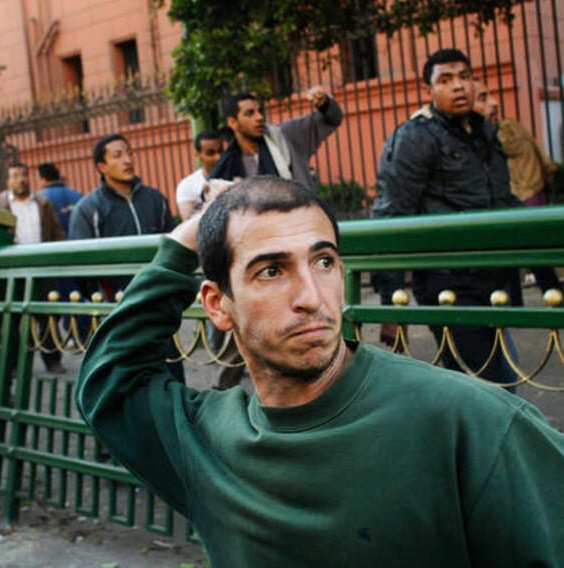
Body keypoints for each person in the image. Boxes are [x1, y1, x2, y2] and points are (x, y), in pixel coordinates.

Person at [76, 175, 564, 567]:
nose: (312, 296)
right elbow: (109, 380)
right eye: (270, 271)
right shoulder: (202, 442)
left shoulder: (469, 421)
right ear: (216, 304)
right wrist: (183, 241)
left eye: (324, 261)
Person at [371, 49, 521, 388]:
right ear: (429, 91)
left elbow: (500, 199)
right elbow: (392, 213)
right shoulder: (415, 136)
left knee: (475, 386)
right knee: (495, 386)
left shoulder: (484, 133)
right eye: (446, 80)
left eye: (465, 77)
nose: (459, 87)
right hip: (447, 282)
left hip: (492, 279)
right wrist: (391, 306)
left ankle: (451, 440)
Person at [69, 133, 183, 382]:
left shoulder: (155, 199)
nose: (127, 160)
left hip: (159, 307)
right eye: (118, 155)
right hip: (116, 312)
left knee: (171, 379)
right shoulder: (89, 209)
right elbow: (80, 265)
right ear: (102, 166)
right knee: (124, 383)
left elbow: (172, 246)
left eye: (129, 153)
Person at [473, 82, 564, 306]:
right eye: (483, 97)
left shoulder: (502, 133)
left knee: (527, 250)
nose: (494, 103)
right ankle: (543, 295)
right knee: (522, 252)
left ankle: (546, 296)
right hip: (529, 193)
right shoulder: (507, 129)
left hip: (521, 196)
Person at [0, 162, 66, 374]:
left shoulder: (42, 202)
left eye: (24, 175)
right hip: (12, 271)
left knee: (48, 316)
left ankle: (53, 360)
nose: (21, 180)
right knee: (13, 319)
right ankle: (14, 364)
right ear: (8, 181)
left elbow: (56, 232)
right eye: (15, 176)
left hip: (41, 267)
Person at [208, 85, 343, 190]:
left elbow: (332, 119)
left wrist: (325, 103)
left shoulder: (285, 136)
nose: (259, 117)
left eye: (260, 111)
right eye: (250, 113)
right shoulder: (229, 163)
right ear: (233, 122)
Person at [175, 131, 224, 221]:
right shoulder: (187, 185)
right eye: (210, 153)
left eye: (221, 152)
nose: (218, 157)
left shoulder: (237, 177)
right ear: (198, 156)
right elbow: (189, 221)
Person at [38, 162, 83, 237]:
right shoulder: (77, 195)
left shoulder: (40, 199)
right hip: (79, 242)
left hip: (56, 245)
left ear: (43, 179)